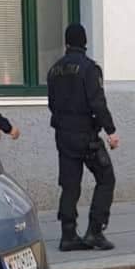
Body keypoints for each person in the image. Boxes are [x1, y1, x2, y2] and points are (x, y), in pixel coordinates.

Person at [47, 23, 119, 253]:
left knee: (70, 185)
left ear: (66, 42)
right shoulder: (89, 69)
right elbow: (97, 102)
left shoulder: (54, 70)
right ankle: (95, 231)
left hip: (63, 135)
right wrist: (111, 130)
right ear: (85, 42)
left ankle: (68, 235)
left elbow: (52, 104)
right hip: (86, 136)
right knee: (106, 178)